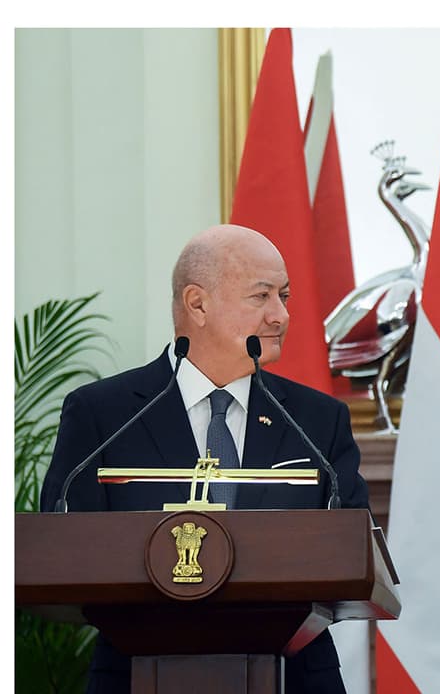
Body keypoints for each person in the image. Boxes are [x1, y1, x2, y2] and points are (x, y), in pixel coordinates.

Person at [41, 224, 368, 694]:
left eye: (285, 296)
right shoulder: (103, 414)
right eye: (262, 296)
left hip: (294, 677)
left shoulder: (318, 420)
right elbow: (61, 546)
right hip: (135, 675)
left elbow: (352, 546)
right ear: (197, 304)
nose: (281, 315)